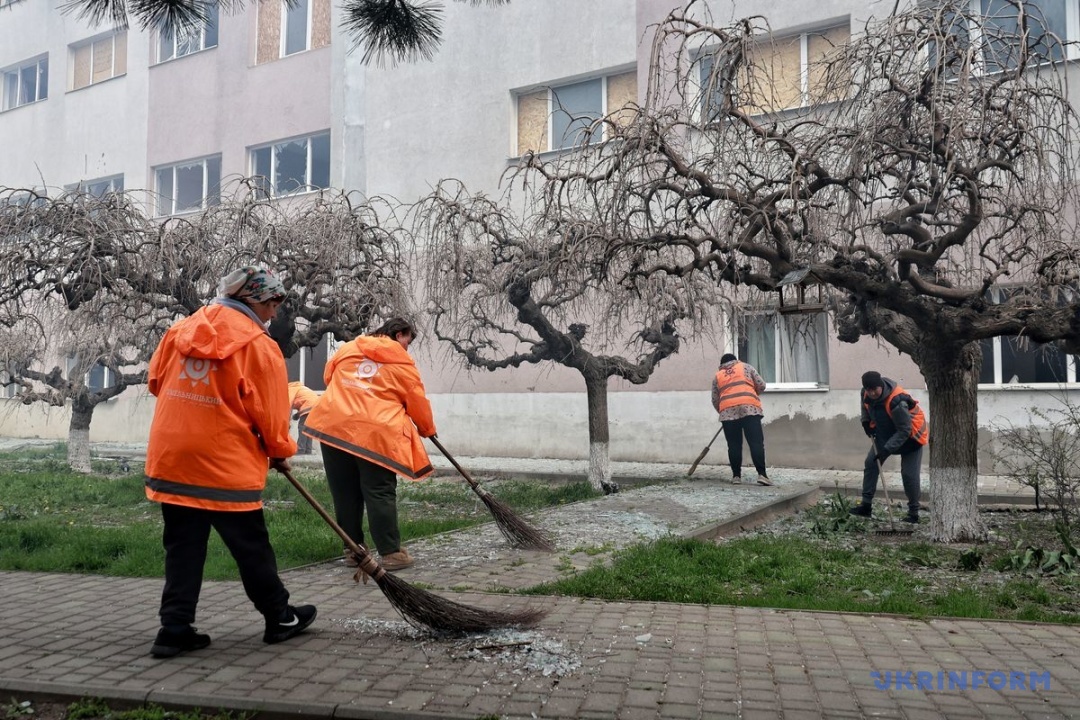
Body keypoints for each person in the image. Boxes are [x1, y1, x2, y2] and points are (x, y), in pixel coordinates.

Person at [144, 266, 317, 659]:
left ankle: (174, 630)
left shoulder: (181, 330)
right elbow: (272, 416)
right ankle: (279, 617)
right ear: (254, 300)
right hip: (224, 461)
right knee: (250, 546)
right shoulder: (259, 345)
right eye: (273, 303)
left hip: (172, 457)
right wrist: (279, 450)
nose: (274, 312)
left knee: (183, 547)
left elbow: (156, 382)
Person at [302, 317, 436, 571]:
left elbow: (329, 377)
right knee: (379, 491)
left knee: (344, 492)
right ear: (399, 334)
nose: (408, 347)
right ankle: (391, 553)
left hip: (333, 426)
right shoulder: (402, 364)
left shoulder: (348, 348)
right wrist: (427, 429)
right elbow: (416, 400)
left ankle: (354, 552)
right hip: (375, 436)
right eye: (408, 340)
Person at [849, 371, 929, 523]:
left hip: (911, 438)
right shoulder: (865, 393)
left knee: (909, 476)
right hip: (885, 435)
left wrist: (886, 449)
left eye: (874, 389)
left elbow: (904, 430)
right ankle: (866, 506)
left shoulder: (897, 401)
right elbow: (865, 407)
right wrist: (865, 422)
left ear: (881, 386)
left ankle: (913, 514)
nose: (871, 393)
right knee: (871, 463)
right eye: (868, 389)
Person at [712, 353, 772, 486]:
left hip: (727, 413)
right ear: (736, 360)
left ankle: (736, 476)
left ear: (721, 365)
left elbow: (715, 399)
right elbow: (761, 385)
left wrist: (724, 411)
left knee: (733, 445)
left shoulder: (718, 376)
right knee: (756, 443)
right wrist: (750, 393)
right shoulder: (746, 367)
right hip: (750, 409)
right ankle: (762, 475)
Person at [287, 381, 319, 455]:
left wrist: (287, 421)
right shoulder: (299, 388)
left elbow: (288, 405)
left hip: (309, 406)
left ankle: (300, 450)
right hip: (317, 406)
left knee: (302, 427)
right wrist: (298, 414)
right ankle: (308, 450)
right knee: (308, 429)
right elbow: (301, 402)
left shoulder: (290, 389)